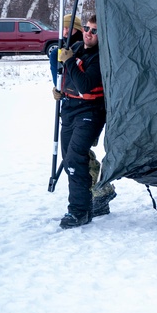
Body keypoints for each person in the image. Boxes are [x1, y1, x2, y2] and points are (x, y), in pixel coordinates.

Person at [51, 13, 117, 218]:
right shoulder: (77, 48)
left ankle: (79, 211)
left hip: (90, 112)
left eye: (94, 31)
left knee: (75, 159)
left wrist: (70, 62)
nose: (88, 33)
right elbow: (70, 79)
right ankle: (97, 199)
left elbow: (85, 86)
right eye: (87, 28)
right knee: (71, 159)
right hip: (69, 110)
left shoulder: (101, 57)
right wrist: (60, 89)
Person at [50, 14, 82, 84]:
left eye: (68, 28)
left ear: (78, 29)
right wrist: (58, 88)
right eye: (63, 29)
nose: (65, 32)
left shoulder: (86, 48)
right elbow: (57, 78)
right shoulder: (57, 53)